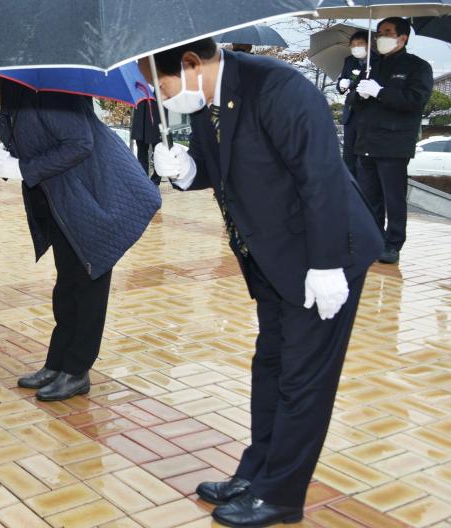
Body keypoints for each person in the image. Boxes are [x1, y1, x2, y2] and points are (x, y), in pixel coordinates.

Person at [148, 39, 382, 527]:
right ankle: (256, 474)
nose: (162, 94)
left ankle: (281, 495)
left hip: (325, 255)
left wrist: (326, 264)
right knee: (271, 368)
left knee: (303, 379)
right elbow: (227, 166)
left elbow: (318, 176)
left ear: (191, 65)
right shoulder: (206, 97)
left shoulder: (278, 87)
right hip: (273, 260)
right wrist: (189, 171)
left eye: (161, 83)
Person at [0, 73, 160, 401]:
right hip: (65, 201)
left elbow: (80, 143)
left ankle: (77, 370)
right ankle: (57, 363)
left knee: (88, 286)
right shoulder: (10, 102)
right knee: (67, 286)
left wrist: (24, 168)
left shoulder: (46, 93)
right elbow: (30, 144)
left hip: (98, 197)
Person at [351, 17, 434, 265]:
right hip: (366, 141)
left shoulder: (417, 67)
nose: (380, 37)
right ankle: (373, 237)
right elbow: (354, 103)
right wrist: (359, 93)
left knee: (393, 197)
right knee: (369, 195)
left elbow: (414, 100)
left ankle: (393, 242)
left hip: (394, 143)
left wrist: (380, 92)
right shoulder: (372, 66)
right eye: (378, 32)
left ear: (402, 37)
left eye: (387, 32)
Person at [335, 30, 371, 178]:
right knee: (348, 155)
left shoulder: (376, 61)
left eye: (360, 44)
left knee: (363, 159)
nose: (356, 48)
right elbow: (342, 83)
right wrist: (342, 85)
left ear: (368, 45)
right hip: (351, 113)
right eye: (353, 45)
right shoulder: (349, 61)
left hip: (368, 113)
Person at [131, 93, 165, 185]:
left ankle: (155, 180)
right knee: (141, 154)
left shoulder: (160, 85)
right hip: (141, 120)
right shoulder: (138, 84)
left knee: (159, 153)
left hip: (157, 119)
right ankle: (144, 182)